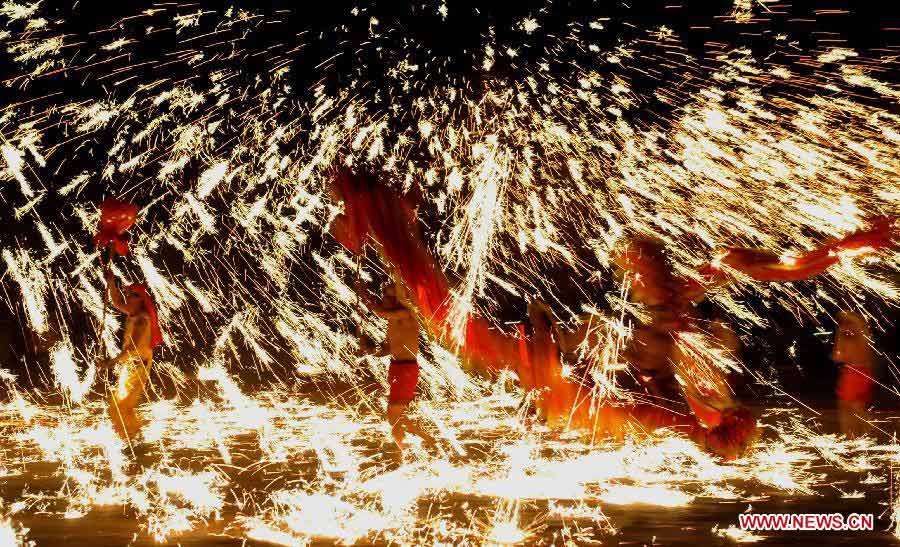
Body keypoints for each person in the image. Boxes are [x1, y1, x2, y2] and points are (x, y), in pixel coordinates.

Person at [354, 278, 428, 451]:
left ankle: (405, 453)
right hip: (396, 368)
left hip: (406, 370)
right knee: (399, 418)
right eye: (383, 297)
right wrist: (369, 348)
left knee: (393, 416)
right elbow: (386, 350)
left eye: (387, 298)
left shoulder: (406, 313)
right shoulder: (392, 322)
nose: (383, 300)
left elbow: (379, 311)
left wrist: (363, 291)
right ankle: (427, 442)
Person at [100, 267, 162, 443]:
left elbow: (132, 346)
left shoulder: (142, 319)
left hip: (138, 364)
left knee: (123, 406)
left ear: (141, 300)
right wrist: (111, 282)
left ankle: (136, 438)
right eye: (128, 295)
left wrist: (110, 362)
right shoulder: (134, 313)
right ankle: (129, 436)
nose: (127, 298)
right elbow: (117, 302)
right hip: (131, 364)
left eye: (131, 295)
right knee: (119, 405)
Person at [832, 311, 876, 437]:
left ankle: (853, 436)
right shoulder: (864, 337)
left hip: (853, 373)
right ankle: (865, 432)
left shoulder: (849, 340)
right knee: (857, 406)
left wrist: (839, 334)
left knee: (846, 407)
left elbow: (838, 357)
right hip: (865, 373)